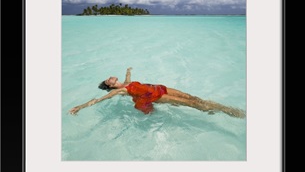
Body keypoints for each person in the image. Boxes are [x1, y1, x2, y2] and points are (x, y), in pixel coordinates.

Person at [68, 67, 246, 118]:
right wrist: (81, 106)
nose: (110, 78)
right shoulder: (118, 92)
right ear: (112, 86)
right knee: (192, 104)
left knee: (191, 97)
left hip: (160, 87)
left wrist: (128, 70)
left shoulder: (126, 83)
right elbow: (99, 100)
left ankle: (208, 107)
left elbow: (129, 79)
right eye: (109, 81)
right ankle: (227, 110)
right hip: (156, 96)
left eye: (109, 77)